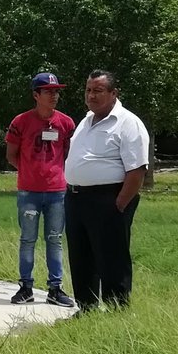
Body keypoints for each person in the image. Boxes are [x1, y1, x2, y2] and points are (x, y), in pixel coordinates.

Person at [64, 70, 150, 311]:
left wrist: (119, 204)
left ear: (114, 93)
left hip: (108, 199)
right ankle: (86, 308)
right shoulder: (86, 121)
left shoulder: (128, 123)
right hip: (76, 198)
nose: (91, 95)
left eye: (98, 91)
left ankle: (116, 310)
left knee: (112, 257)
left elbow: (137, 170)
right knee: (81, 257)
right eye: (88, 90)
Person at [4, 73, 77, 307]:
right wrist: (30, 172)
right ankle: (25, 287)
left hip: (57, 191)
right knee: (28, 239)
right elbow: (11, 155)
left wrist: (53, 173)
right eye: (48, 91)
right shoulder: (21, 122)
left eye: (56, 91)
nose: (54, 96)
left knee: (55, 239)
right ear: (36, 95)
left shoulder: (66, 123)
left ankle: (55, 288)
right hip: (29, 192)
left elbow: (68, 154)